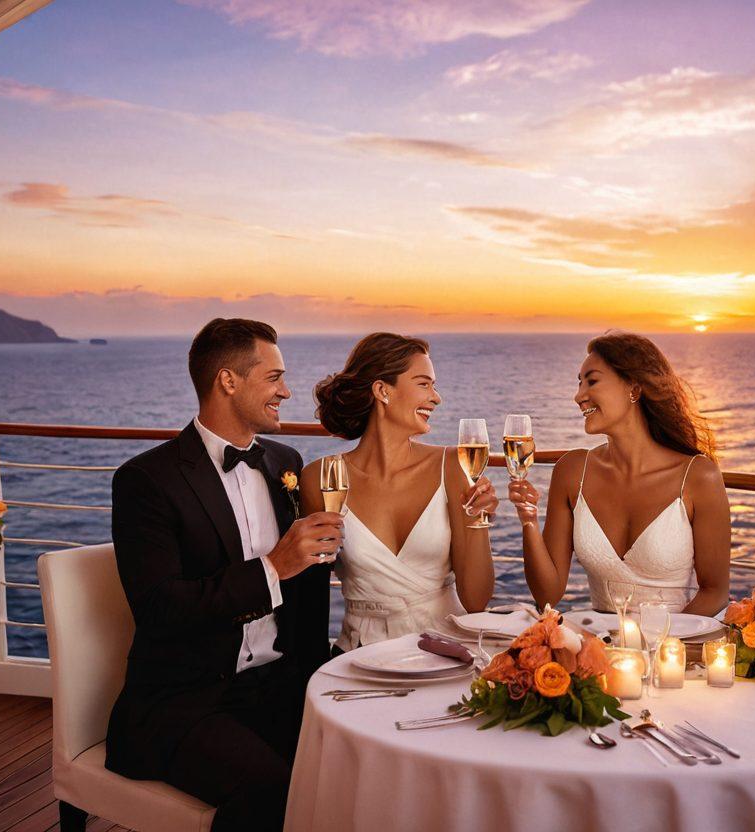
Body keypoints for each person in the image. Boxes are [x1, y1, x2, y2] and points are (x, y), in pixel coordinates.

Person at [103, 318, 343, 832]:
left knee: (358, 763)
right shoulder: (147, 480)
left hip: (280, 684)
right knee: (272, 792)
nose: (287, 390)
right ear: (228, 381)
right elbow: (160, 608)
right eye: (274, 377)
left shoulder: (285, 461)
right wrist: (273, 567)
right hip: (186, 701)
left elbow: (302, 583)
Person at [508, 331, 730, 616]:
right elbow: (548, 594)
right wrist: (528, 520)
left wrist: (660, 646)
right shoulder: (572, 470)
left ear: (634, 390)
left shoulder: (698, 476)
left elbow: (715, 592)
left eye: (592, 381)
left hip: (671, 648)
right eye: (579, 383)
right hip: (601, 650)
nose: (579, 396)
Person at [300, 332, 498, 651]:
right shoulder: (321, 478)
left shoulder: (453, 467)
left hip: (446, 652)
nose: (436, 398)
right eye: (424, 384)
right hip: (361, 656)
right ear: (382, 390)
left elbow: (476, 600)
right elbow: (309, 594)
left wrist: (479, 520)